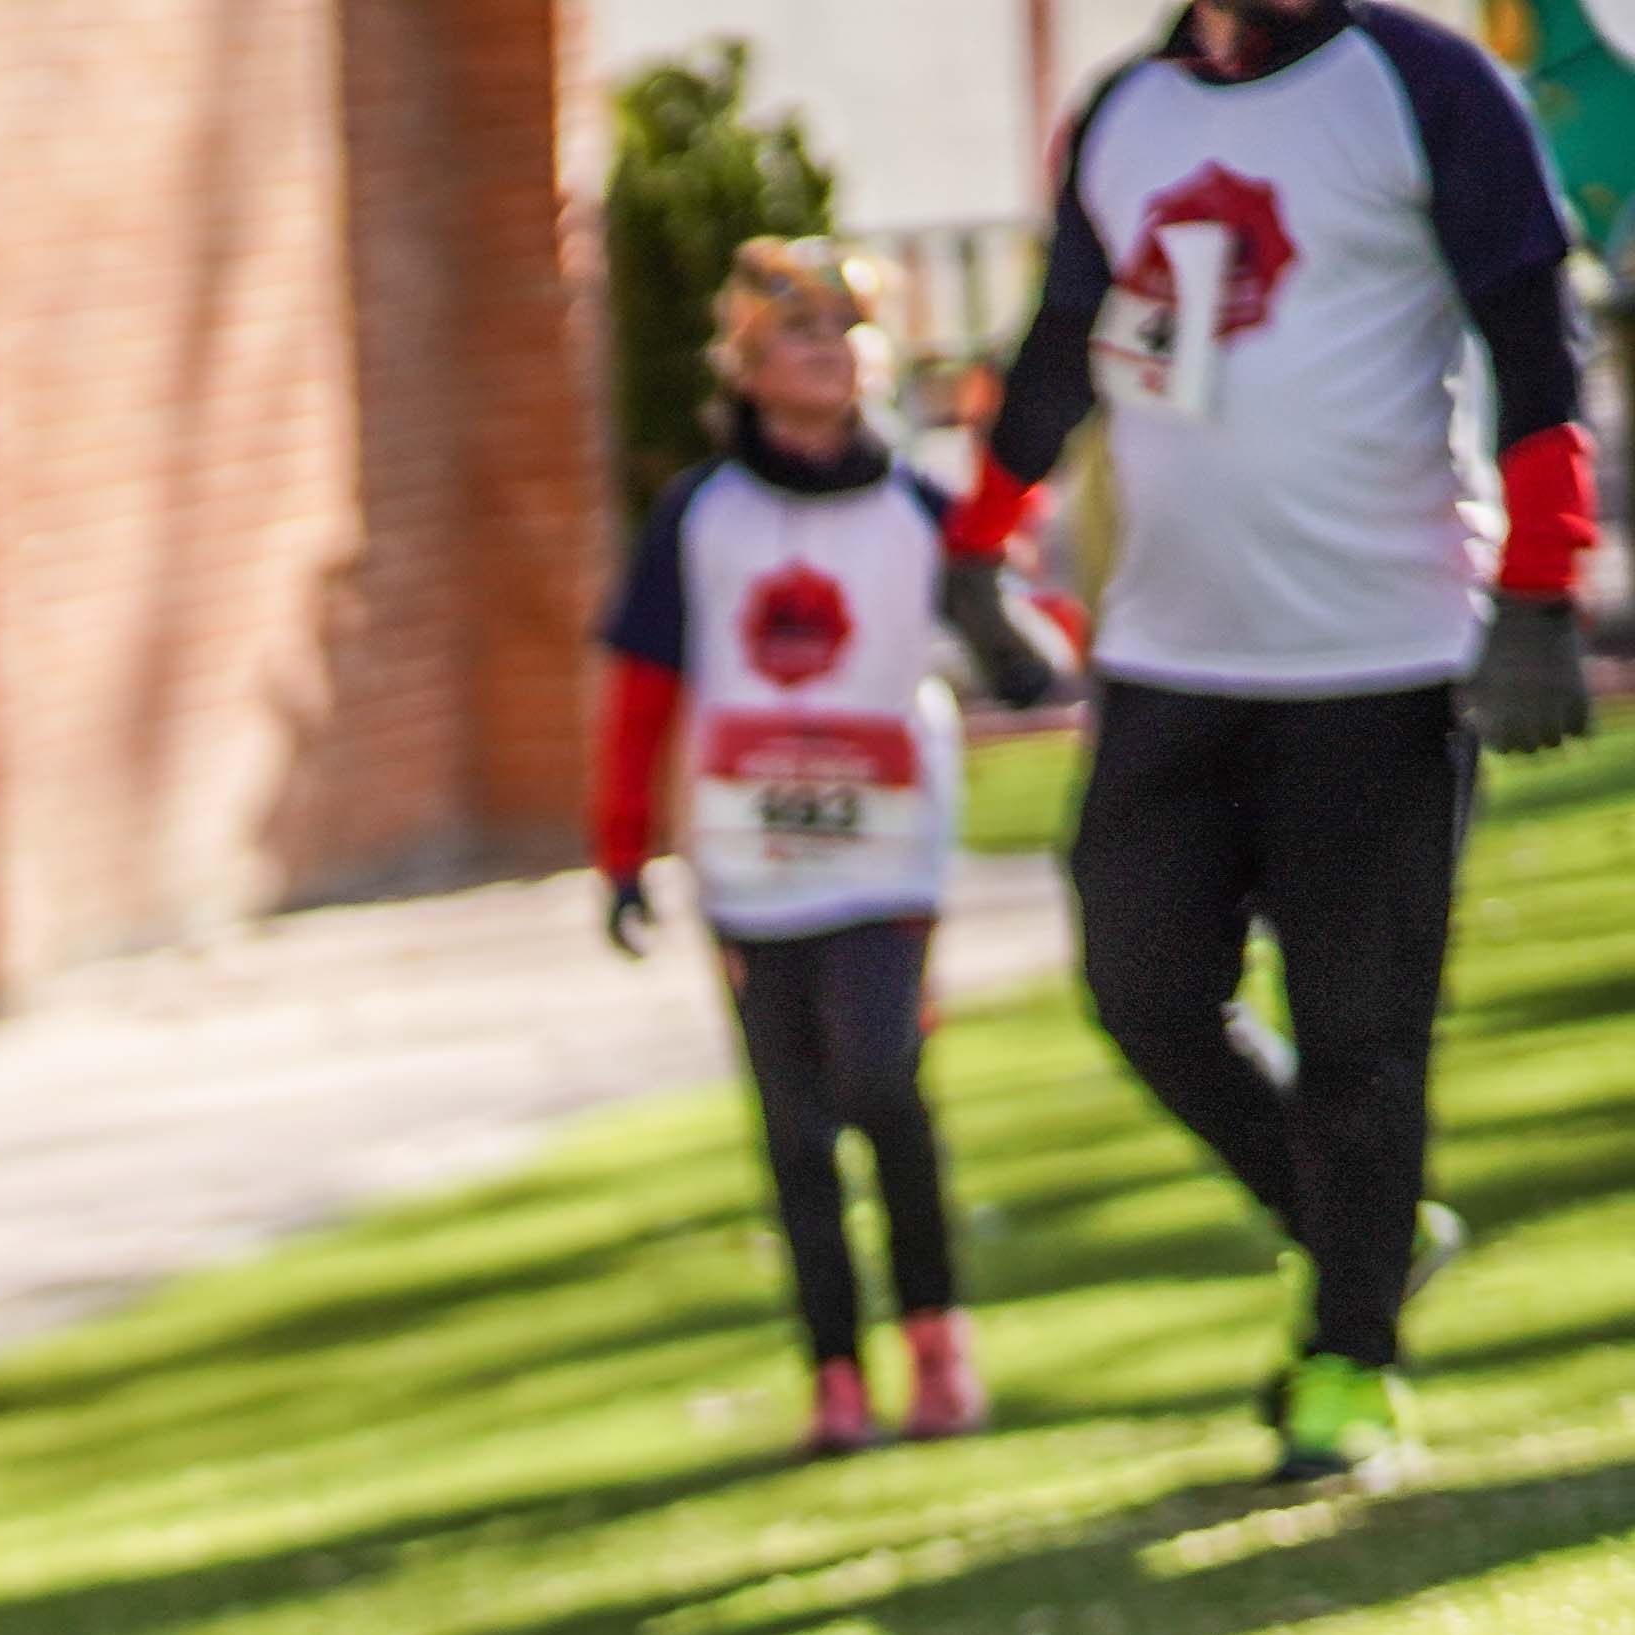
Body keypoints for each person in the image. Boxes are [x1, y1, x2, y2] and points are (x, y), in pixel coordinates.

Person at [944, 0, 1598, 1481]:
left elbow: (1533, 333)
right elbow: (1060, 344)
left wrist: (1541, 589)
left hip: (1383, 657)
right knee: (1143, 990)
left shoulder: (1426, 84)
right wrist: (979, 545)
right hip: (1168, 657)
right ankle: (1365, 1232)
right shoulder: (1125, 112)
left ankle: (1348, 1364)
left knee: (1363, 1039)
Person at [598, 242, 992, 1456]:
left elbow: (1014, 620)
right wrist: (622, 850)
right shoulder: (700, 516)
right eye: (797, 333)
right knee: (794, 1126)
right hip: (751, 858)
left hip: (889, 850)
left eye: (843, 330)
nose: (826, 352)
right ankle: (835, 1375)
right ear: (747, 364)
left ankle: (936, 1340)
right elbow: (643, 687)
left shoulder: (920, 508)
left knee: (882, 1079)